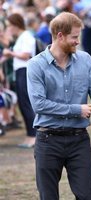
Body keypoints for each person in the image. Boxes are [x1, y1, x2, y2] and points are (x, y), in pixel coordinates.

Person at [27, 12, 91, 200]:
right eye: (74, 37)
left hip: (79, 141)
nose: (78, 41)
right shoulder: (35, 65)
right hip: (47, 141)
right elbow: (39, 104)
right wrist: (77, 109)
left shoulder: (85, 61)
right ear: (60, 35)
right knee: (48, 196)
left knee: (87, 196)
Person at [3, 13, 36, 147]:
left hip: (25, 71)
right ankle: (30, 135)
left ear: (16, 25)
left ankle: (33, 136)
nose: (9, 28)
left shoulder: (26, 37)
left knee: (26, 104)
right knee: (23, 104)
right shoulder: (21, 37)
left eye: (10, 25)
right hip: (20, 71)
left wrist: (10, 53)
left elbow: (25, 55)